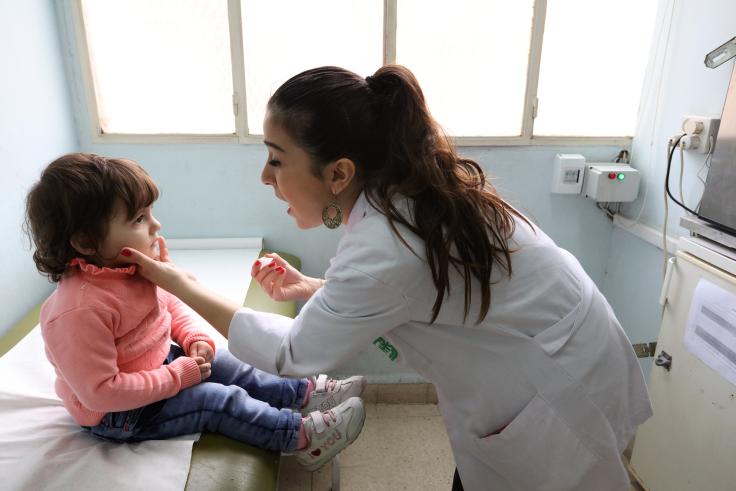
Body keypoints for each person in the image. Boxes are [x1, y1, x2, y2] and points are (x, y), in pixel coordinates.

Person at [121, 65, 653, 490]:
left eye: (277, 160)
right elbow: (409, 293)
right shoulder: (405, 195)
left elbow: (292, 355)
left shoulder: (388, 241)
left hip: (554, 391)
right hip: (560, 352)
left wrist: (175, 281)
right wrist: (313, 291)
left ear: (339, 173)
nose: (266, 176)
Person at [23, 153, 367, 471]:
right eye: (139, 218)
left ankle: (305, 394)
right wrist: (178, 377)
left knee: (230, 360)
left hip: (160, 365)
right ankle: (303, 438)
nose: (156, 226)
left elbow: (166, 304)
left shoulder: (129, 268)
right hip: (122, 413)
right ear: (85, 242)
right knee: (217, 400)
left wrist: (194, 338)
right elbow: (102, 392)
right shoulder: (78, 310)